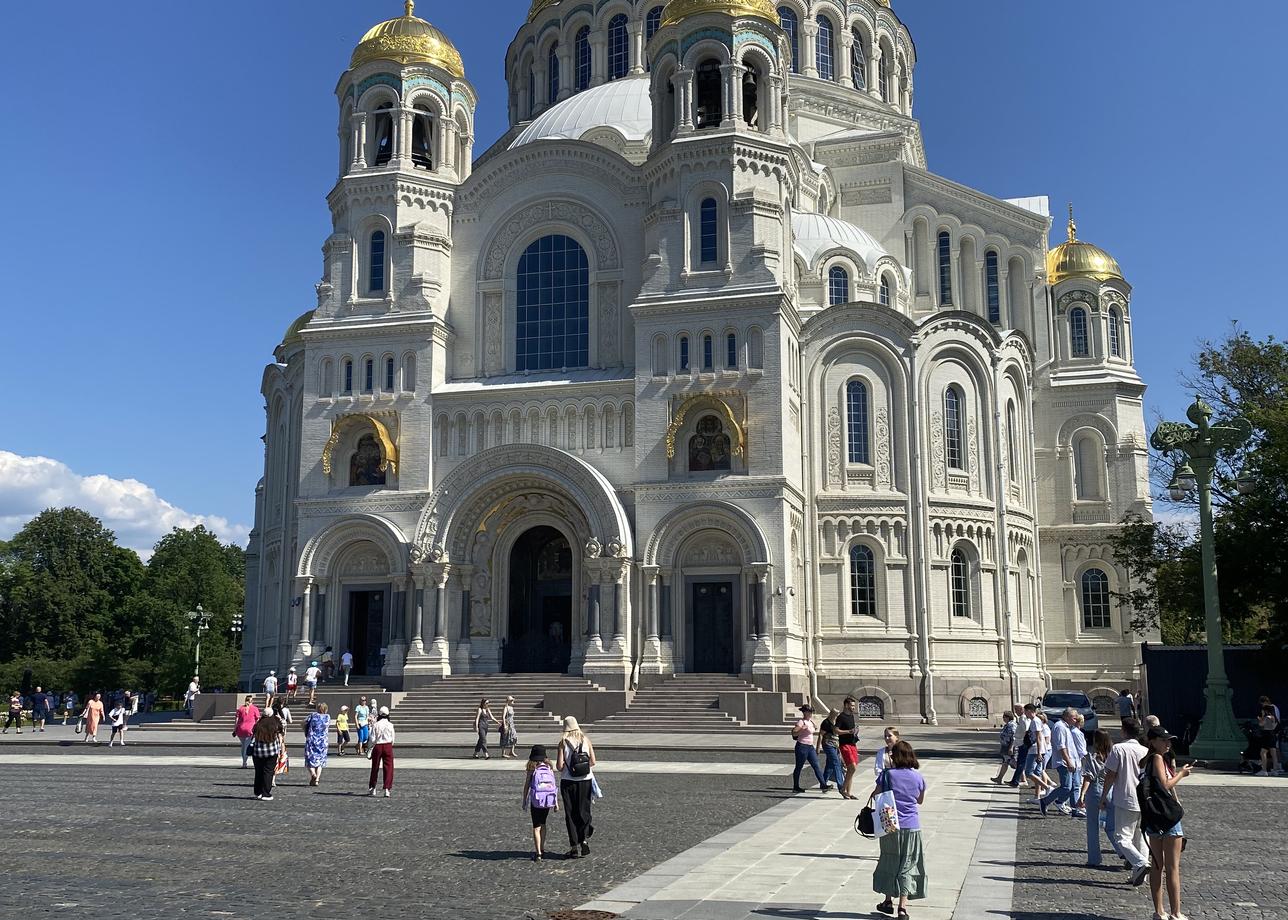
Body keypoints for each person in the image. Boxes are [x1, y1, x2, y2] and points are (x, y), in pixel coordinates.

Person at [871, 740, 928, 920]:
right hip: (911, 826)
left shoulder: (887, 775)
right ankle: (902, 908)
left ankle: (888, 901)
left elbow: (876, 795)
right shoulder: (918, 777)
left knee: (889, 860)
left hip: (890, 824)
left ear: (894, 756)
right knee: (908, 864)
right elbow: (919, 801)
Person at [1143, 726, 1192, 920]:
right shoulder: (1157, 759)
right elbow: (1165, 785)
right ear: (1153, 741)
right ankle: (1176, 913)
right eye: (1164, 740)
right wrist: (1181, 774)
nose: (1168, 743)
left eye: (1169, 740)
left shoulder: (1147, 760)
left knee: (1157, 865)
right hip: (1167, 818)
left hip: (1154, 818)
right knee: (1171, 868)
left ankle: (1159, 911)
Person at [1101, 717, 1151, 887]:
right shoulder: (1145, 750)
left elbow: (1111, 775)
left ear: (1123, 731)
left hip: (1125, 797)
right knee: (1141, 837)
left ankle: (1139, 863)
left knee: (1122, 836)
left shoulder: (1118, 749)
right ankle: (1140, 873)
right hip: (1143, 798)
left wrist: (1103, 796)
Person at [1079, 728, 1122, 869]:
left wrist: (1082, 794)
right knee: (1112, 827)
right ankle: (1123, 852)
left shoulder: (1092, 757)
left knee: (1092, 826)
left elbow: (1088, 778)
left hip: (1096, 790)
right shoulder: (1114, 755)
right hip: (1112, 791)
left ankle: (1094, 858)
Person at [556, 716, 596, 858]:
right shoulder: (586, 739)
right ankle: (584, 840)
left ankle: (573, 846)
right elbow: (593, 761)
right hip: (585, 780)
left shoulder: (563, 742)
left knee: (570, 813)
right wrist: (582, 768)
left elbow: (560, 766)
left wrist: (571, 768)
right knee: (584, 810)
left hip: (568, 781)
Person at [521, 744, 560, 861]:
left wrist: (524, 800)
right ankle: (542, 848)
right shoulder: (549, 767)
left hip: (536, 800)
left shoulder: (532, 768)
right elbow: (553, 786)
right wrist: (556, 803)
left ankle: (538, 852)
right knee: (543, 824)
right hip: (548, 798)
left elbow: (527, 785)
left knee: (536, 826)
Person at [1040, 708, 1080, 816]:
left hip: (1070, 761)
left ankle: (1060, 802)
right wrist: (1068, 761)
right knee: (1066, 787)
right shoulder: (1060, 727)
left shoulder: (1066, 727)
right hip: (1063, 762)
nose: (1076, 720)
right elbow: (1061, 747)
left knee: (1073, 786)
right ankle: (1047, 801)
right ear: (1067, 717)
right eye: (1074, 718)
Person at [791, 704, 828, 793]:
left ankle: (823, 785)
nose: (811, 713)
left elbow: (813, 729)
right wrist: (801, 729)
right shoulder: (801, 722)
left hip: (810, 747)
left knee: (816, 765)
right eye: (809, 712)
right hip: (802, 747)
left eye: (811, 712)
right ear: (804, 712)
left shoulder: (810, 721)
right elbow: (794, 733)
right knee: (799, 767)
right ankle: (796, 786)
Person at [250, 711, 283, 801]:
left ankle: (258, 792)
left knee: (259, 772)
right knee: (268, 772)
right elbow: (281, 729)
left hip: (258, 752)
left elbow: (252, 733)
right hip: (271, 752)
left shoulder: (258, 724)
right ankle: (266, 793)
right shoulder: (274, 724)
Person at [367, 706, 396, 797]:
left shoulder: (376, 725)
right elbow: (393, 739)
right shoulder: (390, 725)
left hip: (378, 746)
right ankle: (387, 789)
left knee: (375, 767)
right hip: (387, 746)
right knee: (388, 768)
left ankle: (373, 788)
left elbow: (372, 738)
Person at [818, 707, 847, 796]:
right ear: (831, 713)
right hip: (828, 744)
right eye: (834, 713)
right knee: (836, 763)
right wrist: (817, 747)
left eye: (837, 714)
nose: (836, 715)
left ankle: (823, 784)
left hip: (836, 745)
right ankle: (841, 787)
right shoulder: (826, 722)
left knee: (830, 765)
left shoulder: (837, 722)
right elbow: (821, 735)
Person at [1007, 704, 1037, 786]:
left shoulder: (1023, 718)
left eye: (1017, 709)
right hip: (1021, 742)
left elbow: (1026, 729)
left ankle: (1015, 781)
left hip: (1023, 742)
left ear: (1022, 709)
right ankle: (1015, 780)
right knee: (1020, 762)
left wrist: (1024, 740)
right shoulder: (1021, 718)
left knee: (1021, 762)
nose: (1015, 712)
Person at [837, 696, 861, 798]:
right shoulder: (841, 717)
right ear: (846, 705)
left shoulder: (851, 716)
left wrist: (855, 731)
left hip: (853, 744)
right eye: (852, 705)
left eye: (854, 706)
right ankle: (843, 789)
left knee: (851, 770)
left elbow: (851, 730)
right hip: (845, 745)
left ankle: (848, 793)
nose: (853, 708)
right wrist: (848, 731)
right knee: (852, 768)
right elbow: (836, 730)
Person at [304, 703, 331, 787]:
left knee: (309, 759)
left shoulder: (313, 715)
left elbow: (303, 723)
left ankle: (313, 774)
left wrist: (306, 731)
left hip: (312, 740)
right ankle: (317, 779)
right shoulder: (327, 717)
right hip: (323, 741)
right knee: (320, 761)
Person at [1069, 713, 1088, 817]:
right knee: (1077, 784)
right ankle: (1077, 805)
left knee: (1077, 784)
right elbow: (1081, 749)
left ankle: (1077, 804)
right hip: (1078, 759)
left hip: (1078, 759)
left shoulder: (1076, 732)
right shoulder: (1076, 732)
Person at [234, 695, 261, 768]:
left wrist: (234, 729)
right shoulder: (255, 709)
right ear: (252, 701)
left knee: (243, 746)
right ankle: (244, 762)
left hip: (240, 729)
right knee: (246, 746)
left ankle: (244, 761)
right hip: (250, 729)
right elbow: (258, 720)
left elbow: (236, 720)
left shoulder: (240, 708)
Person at [1255, 704, 1282, 776]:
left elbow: (1261, 724)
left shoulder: (1266, 717)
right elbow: (1274, 726)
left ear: (1265, 710)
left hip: (1267, 735)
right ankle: (1275, 770)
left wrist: (1261, 719)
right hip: (1273, 734)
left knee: (1263, 752)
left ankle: (1264, 770)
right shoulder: (1274, 717)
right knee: (1273, 753)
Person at [993, 710, 1017, 783]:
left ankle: (1023, 778)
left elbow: (1013, 737)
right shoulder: (1007, 725)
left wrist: (1011, 747)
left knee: (1014, 763)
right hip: (1005, 746)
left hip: (1009, 746)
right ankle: (999, 778)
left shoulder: (1011, 725)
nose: (1003, 718)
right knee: (1005, 762)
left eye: (1004, 717)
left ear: (1008, 717)